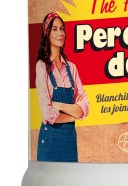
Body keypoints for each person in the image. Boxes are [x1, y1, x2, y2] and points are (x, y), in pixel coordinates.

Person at [36, 12, 89, 162]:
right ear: (47, 33)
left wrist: (59, 105)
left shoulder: (72, 68)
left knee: (72, 177)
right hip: (50, 141)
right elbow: (47, 113)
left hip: (70, 141)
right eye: (54, 29)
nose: (60, 33)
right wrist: (74, 115)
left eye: (62, 29)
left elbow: (84, 107)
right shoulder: (42, 66)